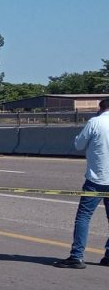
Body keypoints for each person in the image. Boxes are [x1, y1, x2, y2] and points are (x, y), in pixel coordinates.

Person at [54, 98, 109, 269]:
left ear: (101, 108)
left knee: (84, 217)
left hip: (96, 178)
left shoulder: (95, 122)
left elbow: (79, 144)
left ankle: (77, 256)